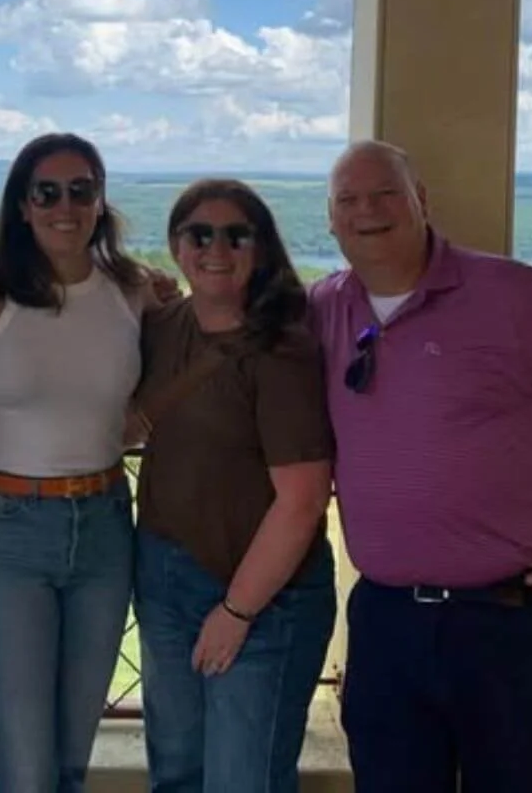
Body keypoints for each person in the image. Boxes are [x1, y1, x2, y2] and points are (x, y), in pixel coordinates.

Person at [311, 140, 532, 792]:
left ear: (421, 201)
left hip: (513, 620)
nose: (368, 211)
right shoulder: (324, 310)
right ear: (330, 220)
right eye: (348, 200)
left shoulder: (509, 295)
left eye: (386, 193)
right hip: (387, 620)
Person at [0, 132, 158, 793]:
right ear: (21, 205)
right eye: (47, 192)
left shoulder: (134, 291)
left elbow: (151, 400)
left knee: (70, 758)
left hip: (102, 525)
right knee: (27, 767)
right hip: (5, 530)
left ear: (100, 202)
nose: (64, 206)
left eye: (81, 190)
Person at [129, 179, 337, 792]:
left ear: (261, 247)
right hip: (167, 580)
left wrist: (236, 610)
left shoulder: (282, 351)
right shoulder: (162, 326)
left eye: (235, 234)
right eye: (199, 233)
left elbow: (302, 501)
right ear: (175, 245)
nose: (215, 247)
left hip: (264, 597)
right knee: (177, 774)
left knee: (243, 782)